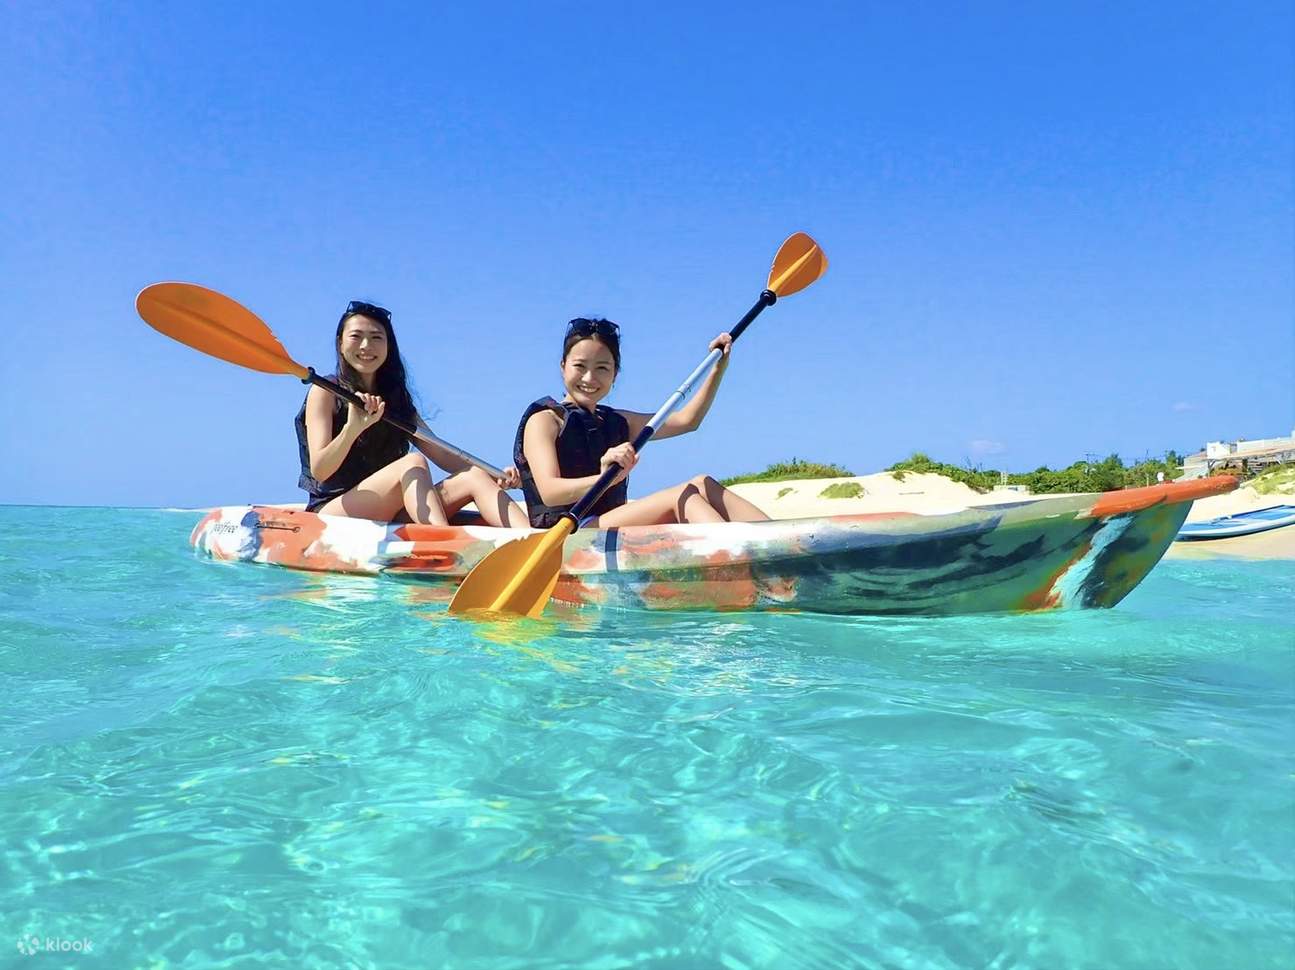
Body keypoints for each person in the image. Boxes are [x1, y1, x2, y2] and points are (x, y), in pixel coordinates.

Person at [514, 317, 769, 528]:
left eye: (602, 368)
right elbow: (549, 491)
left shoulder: (616, 420)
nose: (589, 377)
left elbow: (687, 420)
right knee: (682, 496)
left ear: (615, 374)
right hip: (566, 530)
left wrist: (718, 368)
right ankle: (738, 558)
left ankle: (787, 544)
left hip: (604, 524)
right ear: (563, 367)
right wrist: (604, 479)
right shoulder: (545, 420)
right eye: (580, 366)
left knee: (703, 484)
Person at [296, 300, 528, 527]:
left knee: (474, 475)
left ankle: (540, 546)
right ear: (340, 343)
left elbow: (444, 454)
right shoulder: (325, 391)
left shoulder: (396, 400)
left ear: (389, 346)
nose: (366, 345)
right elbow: (321, 470)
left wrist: (496, 474)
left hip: (389, 511)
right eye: (356, 336)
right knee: (413, 462)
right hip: (335, 513)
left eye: (377, 337)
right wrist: (353, 428)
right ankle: (442, 544)